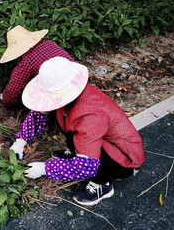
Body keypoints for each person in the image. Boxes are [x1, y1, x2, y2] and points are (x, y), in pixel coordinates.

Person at [18, 57, 145, 206]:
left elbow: (86, 166)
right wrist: (21, 140)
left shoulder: (91, 115)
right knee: (70, 129)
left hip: (125, 162)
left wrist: (45, 168)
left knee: (83, 145)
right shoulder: (72, 93)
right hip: (104, 142)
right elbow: (41, 112)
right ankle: (77, 153)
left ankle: (102, 184)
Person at [0, 25, 74, 107]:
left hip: (62, 93)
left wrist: (4, 100)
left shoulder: (26, 62)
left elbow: (12, 93)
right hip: (78, 78)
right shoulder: (49, 43)